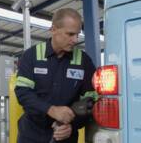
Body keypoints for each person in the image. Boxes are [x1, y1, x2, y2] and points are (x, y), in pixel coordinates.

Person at [15, 8, 96, 143]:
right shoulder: (31, 56)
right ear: (53, 30)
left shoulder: (83, 61)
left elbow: (91, 99)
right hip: (31, 134)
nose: (75, 40)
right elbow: (23, 92)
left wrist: (72, 125)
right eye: (70, 34)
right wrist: (50, 110)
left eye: (77, 34)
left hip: (65, 136)